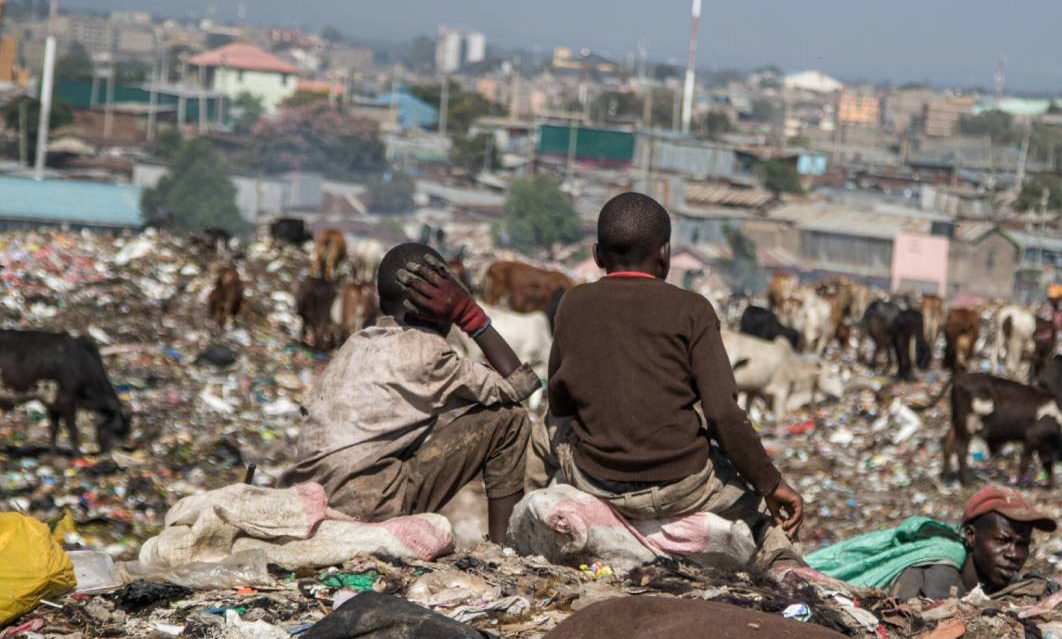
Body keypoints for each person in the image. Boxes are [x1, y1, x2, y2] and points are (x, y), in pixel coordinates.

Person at [532, 191, 805, 571]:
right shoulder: (693, 309)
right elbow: (724, 415)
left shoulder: (573, 303)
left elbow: (560, 403)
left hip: (595, 478)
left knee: (541, 432)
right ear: (664, 253)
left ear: (597, 256)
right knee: (763, 522)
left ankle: (516, 540)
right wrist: (771, 484)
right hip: (686, 487)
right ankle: (786, 567)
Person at [281, 243, 539, 543]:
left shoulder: (356, 343)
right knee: (509, 419)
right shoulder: (427, 353)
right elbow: (520, 385)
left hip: (309, 495)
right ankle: (505, 547)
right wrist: (470, 314)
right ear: (439, 302)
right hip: (367, 503)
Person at [805, 485, 1057, 599]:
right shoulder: (938, 567)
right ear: (970, 536)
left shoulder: (998, 584)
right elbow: (938, 608)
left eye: (1022, 543)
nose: (1013, 554)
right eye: (1002, 540)